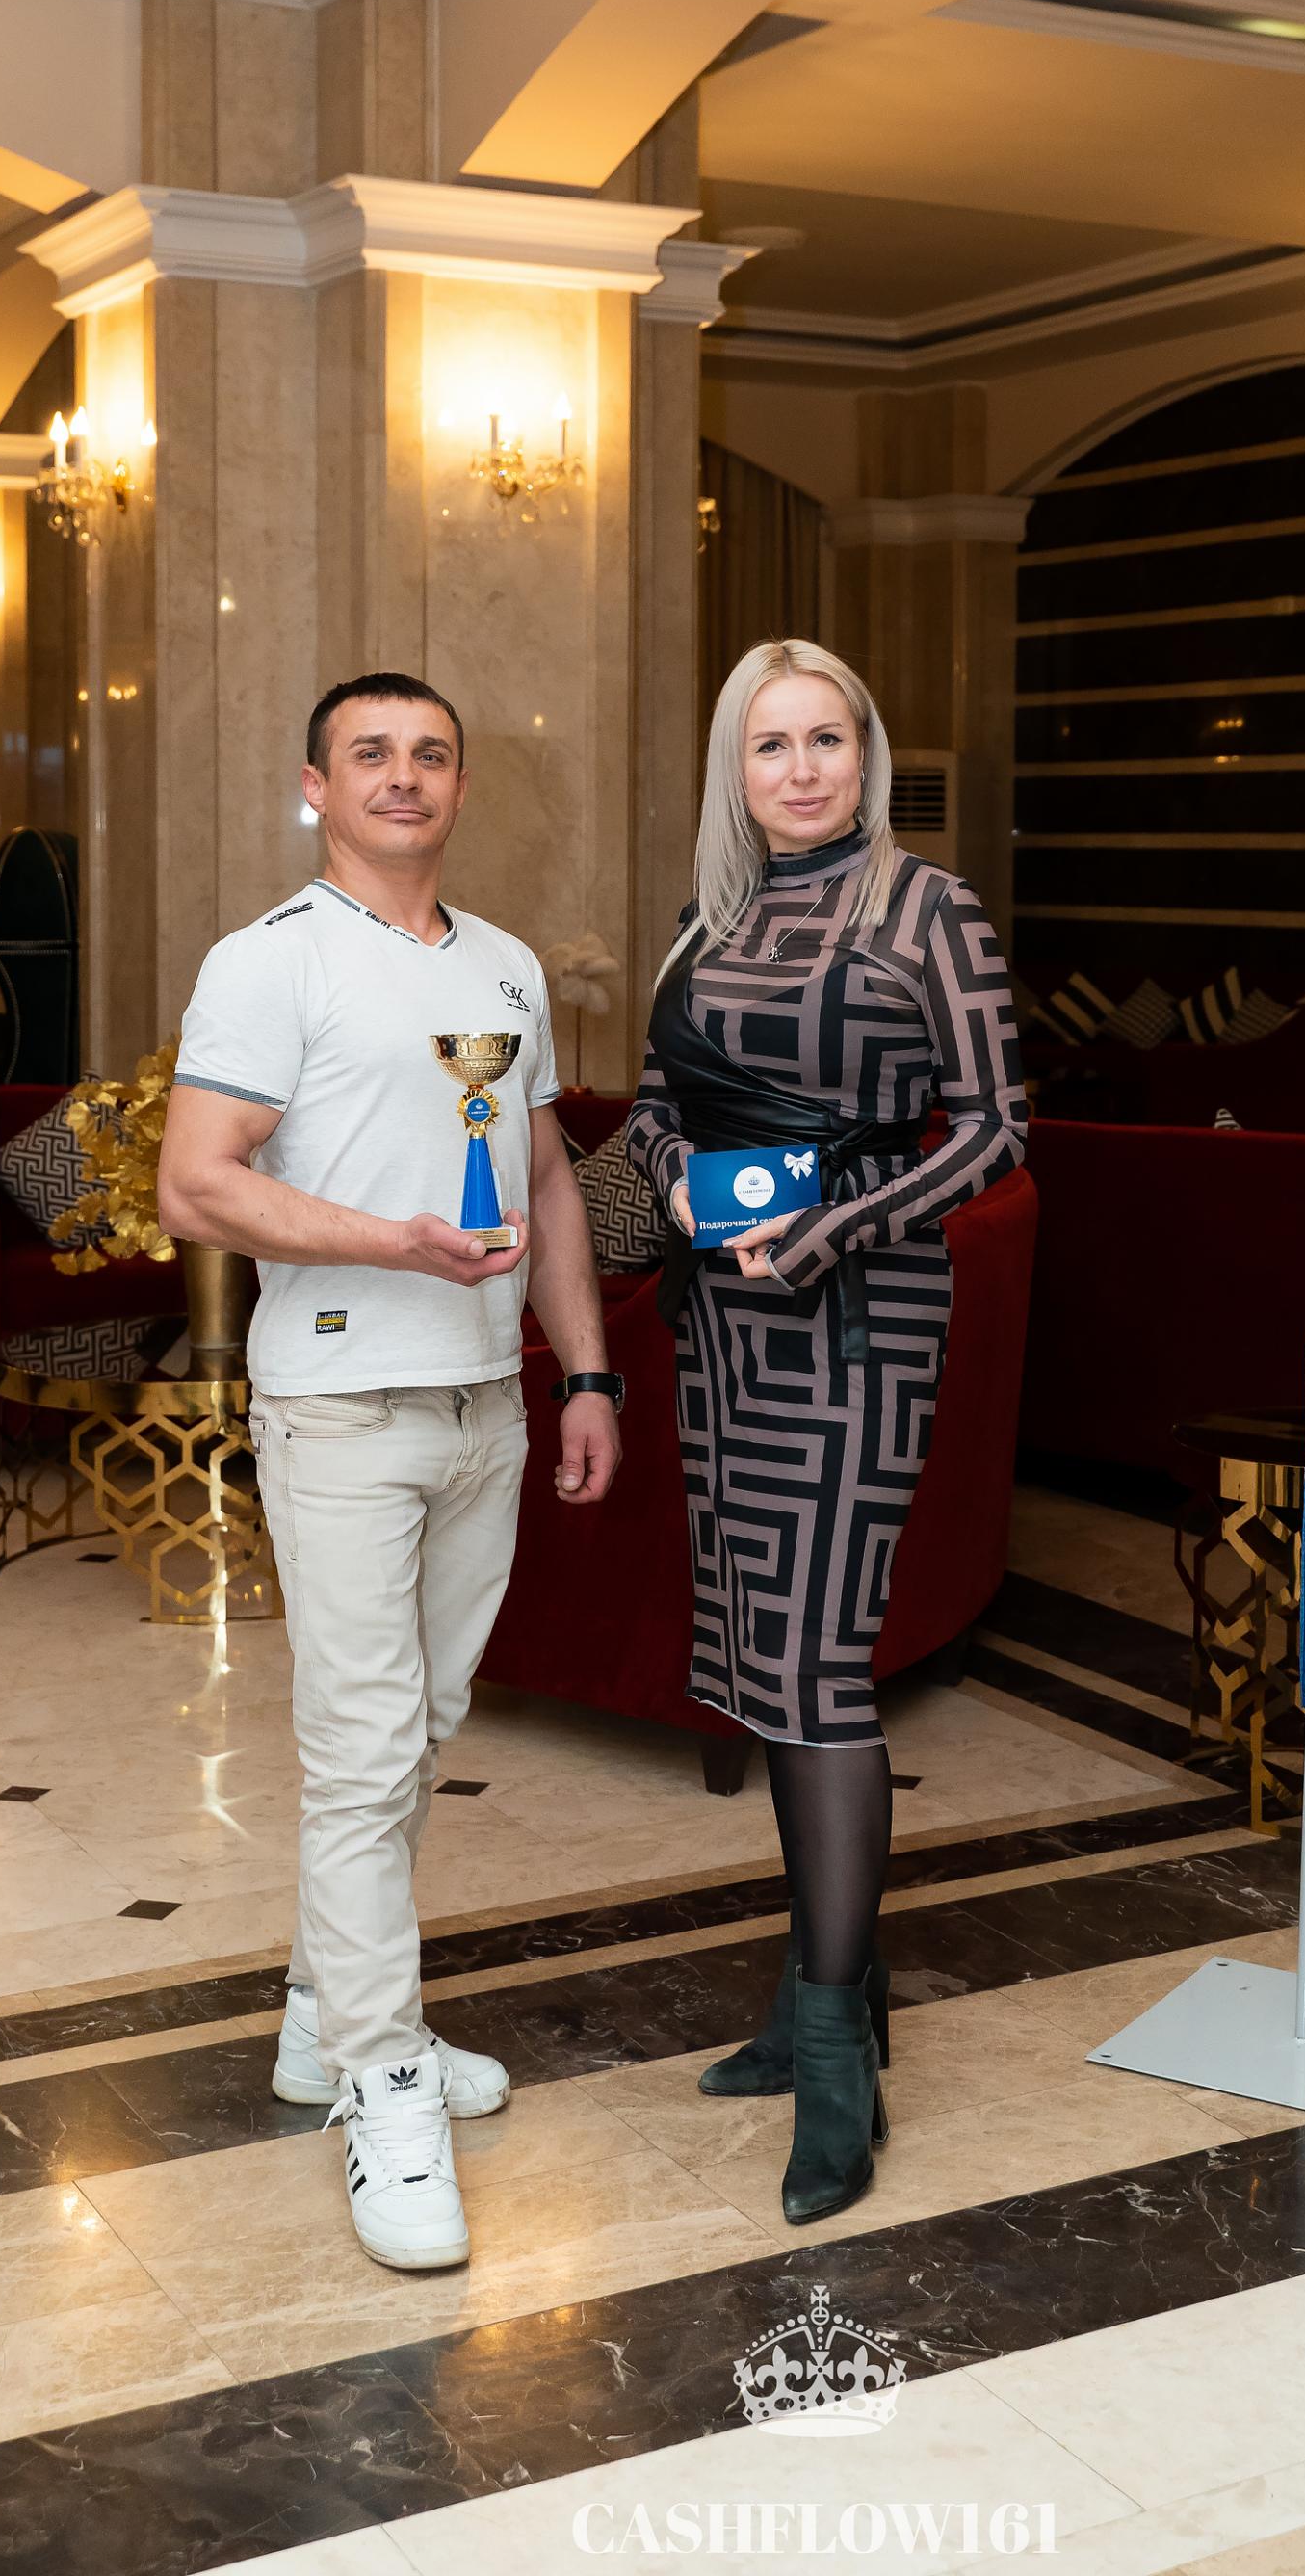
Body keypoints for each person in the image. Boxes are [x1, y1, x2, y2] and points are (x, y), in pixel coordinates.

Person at [159, 671, 623, 2274]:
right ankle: (386, 2085)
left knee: (417, 1734)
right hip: (341, 1406)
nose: (403, 777)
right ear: (317, 786)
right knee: (362, 1758)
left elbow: (548, 1179)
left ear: (461, 786)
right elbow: (196, 1185)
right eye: (371, 754)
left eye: (431, 755)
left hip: (488, 1403)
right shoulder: (268, 961)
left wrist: (586, 1371)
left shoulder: (502, 965)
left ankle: (323, 2021)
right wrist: (395, 1244)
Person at [625, 638, 1026, 2225]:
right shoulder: (708, 920)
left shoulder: (930, 911)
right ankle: (815, 2007)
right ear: (735, 769)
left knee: (815, 1663)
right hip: (725, 1319)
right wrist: (672, 1184)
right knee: (757, 1650)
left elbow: (993, 1130)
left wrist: (836, 1231)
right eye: (770, 744)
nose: (801, 770)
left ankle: (842, 2056)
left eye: (827, 739)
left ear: (867, 754)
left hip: (859, 1317)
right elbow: (655, 1105)